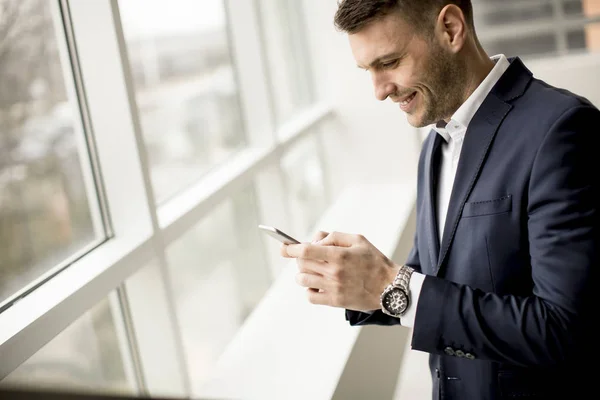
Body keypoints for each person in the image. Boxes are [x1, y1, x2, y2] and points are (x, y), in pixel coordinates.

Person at [281, 1, 599, 399]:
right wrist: (356, 281)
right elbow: (439, 271)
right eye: (369, 71)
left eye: (390, 62)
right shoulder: (436, 142)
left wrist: (390, 284)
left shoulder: (561, 129)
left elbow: (562, 329)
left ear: (450, 28)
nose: (379, 91)